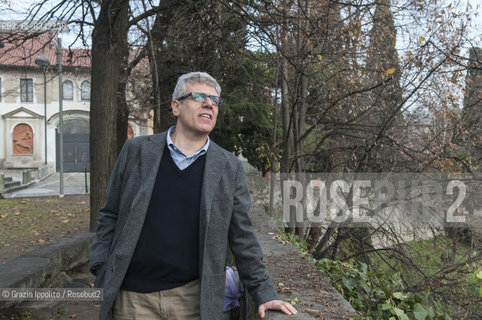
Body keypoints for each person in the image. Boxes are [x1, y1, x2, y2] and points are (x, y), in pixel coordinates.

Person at [89, 72, 298, 320]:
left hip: (193, 302)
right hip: (132, 299)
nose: (209, 103)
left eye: (215, 100)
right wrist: (101, 265)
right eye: (199, 96)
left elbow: (242, 237)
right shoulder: (136, 151)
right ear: (176, 106)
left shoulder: (228, 167)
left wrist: (264, 292)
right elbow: (110, 213)